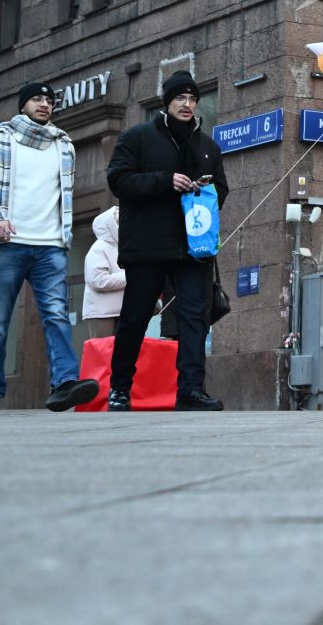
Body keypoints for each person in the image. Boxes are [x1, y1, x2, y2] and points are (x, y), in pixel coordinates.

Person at [0, 83, 98, 413]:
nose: (45, 104)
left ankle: (65, 383)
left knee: (56, 314)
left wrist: (63, 236)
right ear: (23, 104)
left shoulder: (63, 144)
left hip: (50, 245)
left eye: (50, 100)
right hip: (5, 243)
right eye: (37, 99)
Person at [105, 72, 229, 412]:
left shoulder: (207, 145)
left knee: (194, 317)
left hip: (194, 248)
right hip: (148, 243)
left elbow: (222, 188)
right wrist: (165, 182)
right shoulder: (138, 137)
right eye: (180, 99)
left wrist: (205, 192)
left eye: (192, 99)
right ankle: (120, 388)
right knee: (136, 316)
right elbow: (118, 180)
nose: (187, 105)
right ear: (167, 102)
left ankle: (191, 390)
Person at [82, 207, 126, 343]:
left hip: (123, 311)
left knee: (121, 358)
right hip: (101, 314)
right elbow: (98, 281)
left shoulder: (125, 247)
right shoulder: (98, 248)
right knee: (102, 357)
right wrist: (131, 276)